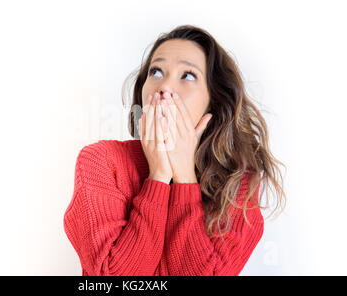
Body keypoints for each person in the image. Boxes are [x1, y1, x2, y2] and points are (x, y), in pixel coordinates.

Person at [63, 25, 286, 276]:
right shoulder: (101, 162)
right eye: (156, 71)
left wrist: (184, 178)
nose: (164, 86)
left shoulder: (239, 184)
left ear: (213, 100)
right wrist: (158, 176)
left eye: (188, 75)